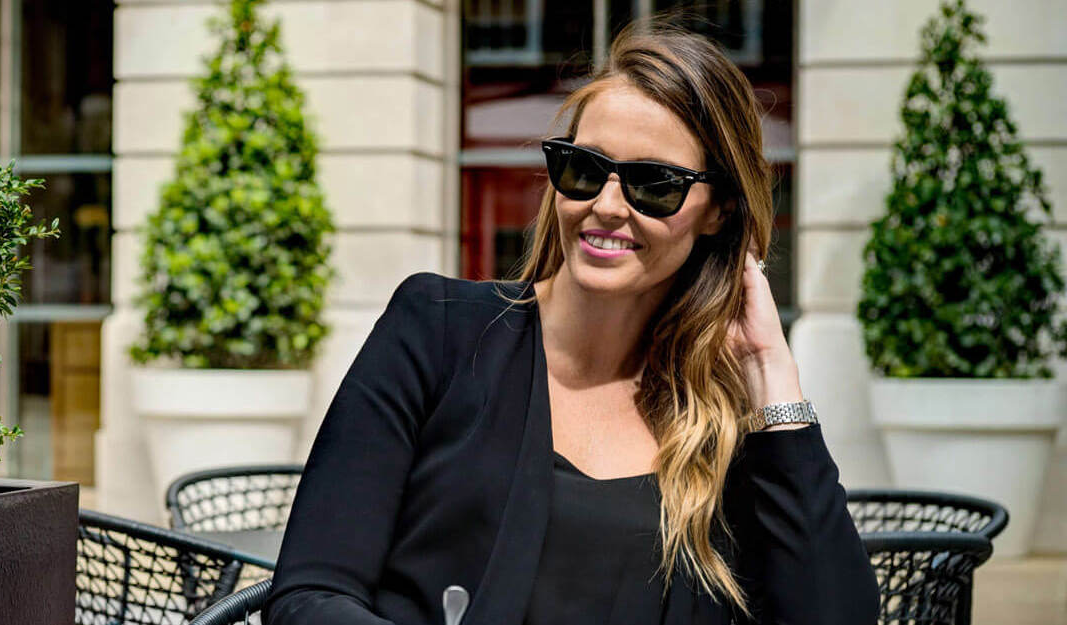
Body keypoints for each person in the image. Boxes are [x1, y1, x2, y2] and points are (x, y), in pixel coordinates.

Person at [265, 21, 879, 625]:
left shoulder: (726, 418)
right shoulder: (437, 331)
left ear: (718, 212)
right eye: (583, 169)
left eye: (654, 184)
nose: (606, 206)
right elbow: (310, 595)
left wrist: (769, 373)